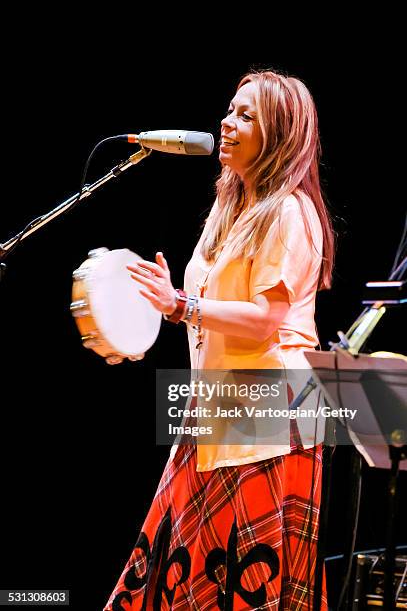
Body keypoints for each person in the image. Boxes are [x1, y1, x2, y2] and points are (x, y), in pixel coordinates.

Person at [104, 69, 335, 610]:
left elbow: (262, 320)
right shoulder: (228, 210)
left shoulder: (290, 212)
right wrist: (157, 308)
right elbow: (206, 312)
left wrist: (182, 306)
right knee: (177, 568)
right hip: (217, 407)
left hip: (275, 412)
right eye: (230, 111)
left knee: (244, 579)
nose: (227, 124)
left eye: (246, 115)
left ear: (279, 133)